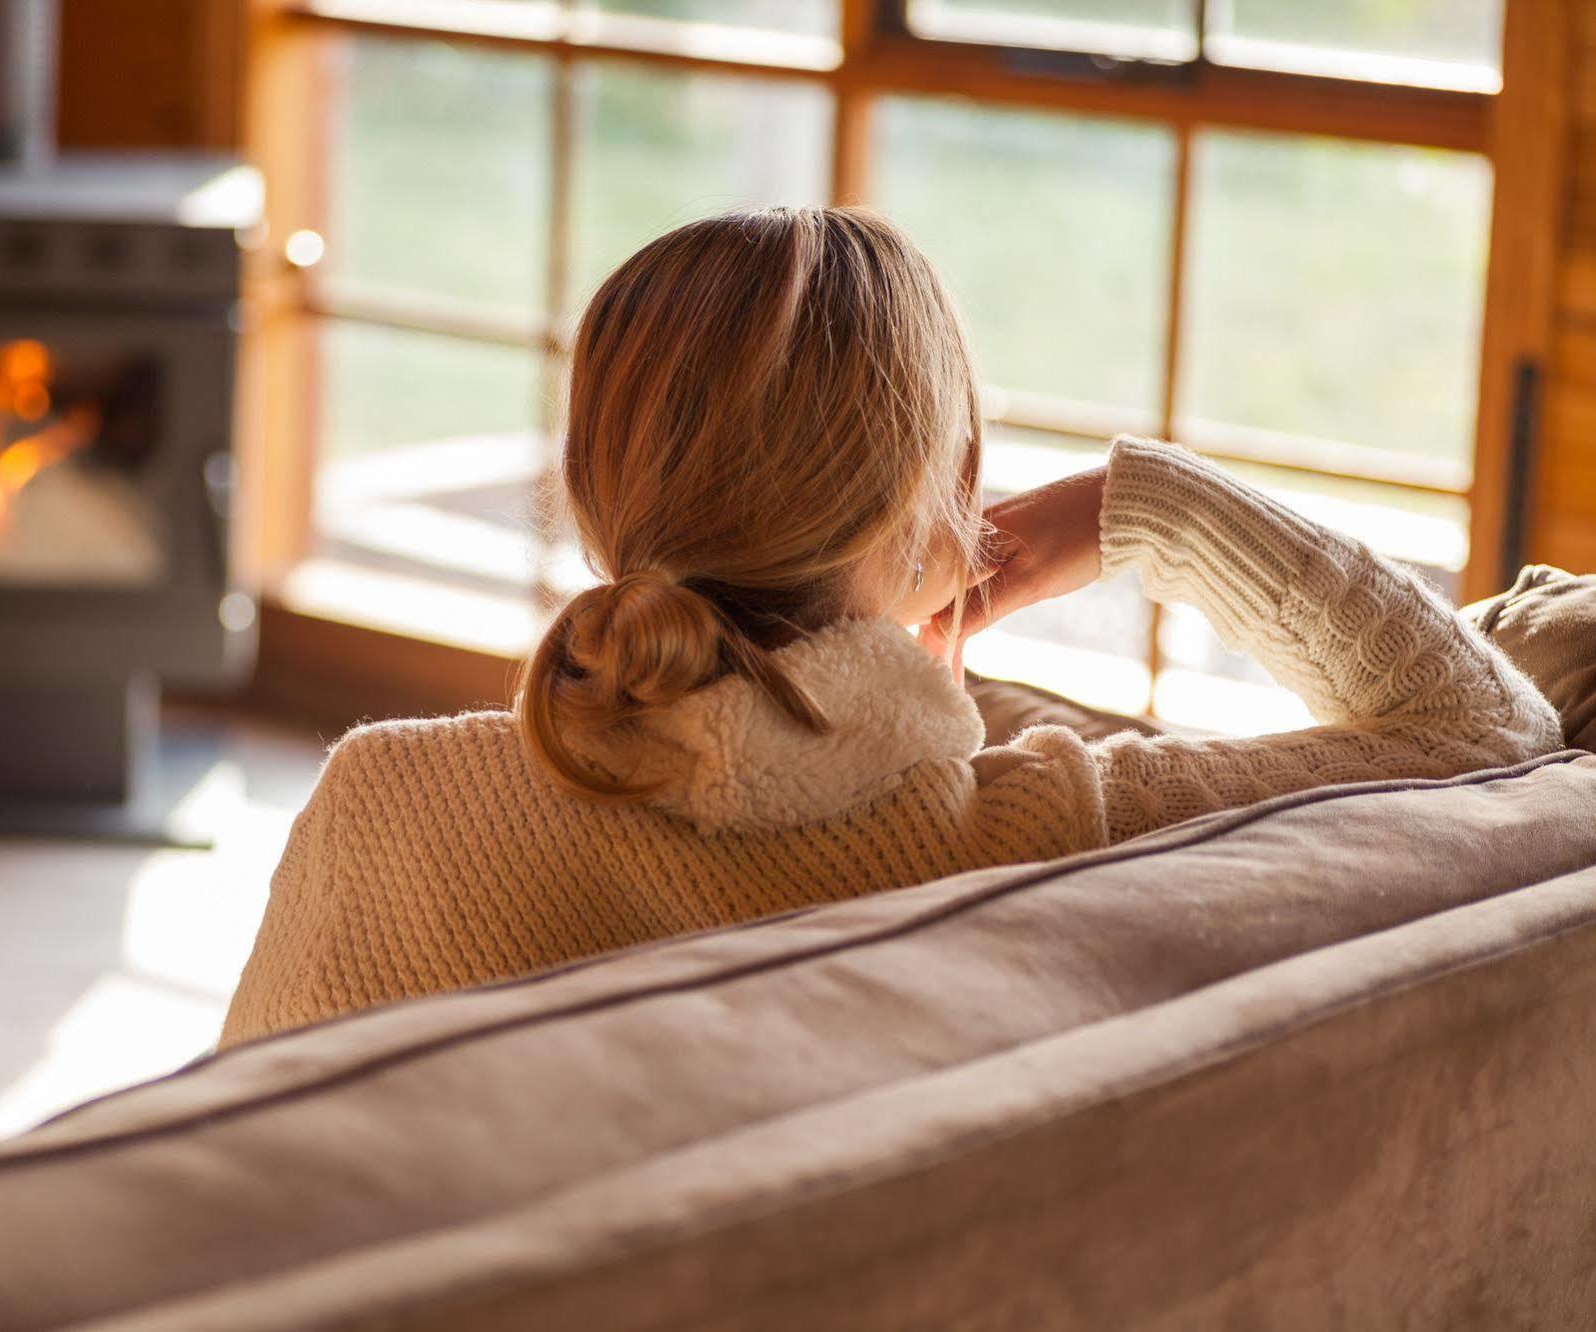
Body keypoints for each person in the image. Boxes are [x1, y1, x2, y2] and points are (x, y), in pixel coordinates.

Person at [219, 206, 1559, 1046]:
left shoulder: (381, 807)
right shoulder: (1040, 832)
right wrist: (1142, 509)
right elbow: (1491, 731)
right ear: (949, 511)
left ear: (587, 494)